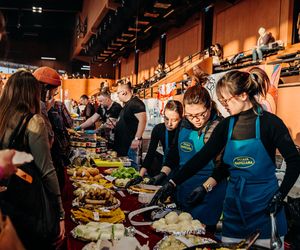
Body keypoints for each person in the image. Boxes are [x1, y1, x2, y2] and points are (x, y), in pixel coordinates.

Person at [151, 67, 300, 248]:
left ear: (243, 95)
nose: (223, 104)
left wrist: (280, 195)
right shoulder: (227, 125)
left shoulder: (271, 123)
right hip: (233, 211)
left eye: (225, 100)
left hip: (265, 208)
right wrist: (172, 182)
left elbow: (294, 161)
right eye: (220, 100)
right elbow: (203, 158)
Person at [0, 70, 65, 249]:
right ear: (32, 93)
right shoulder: (34, 121)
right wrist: (60, 213)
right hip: (26, 202)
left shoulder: (2, 118)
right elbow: (47, 171)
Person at [151, 85, 227, 230]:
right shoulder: (185, 124)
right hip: (184, 188)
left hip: (208, 194)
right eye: (191, 115)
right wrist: (163, 173)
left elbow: (222, 168)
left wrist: (205, 188)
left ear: (209, 106)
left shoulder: (217, 127)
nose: (196, 120)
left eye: (201, 114)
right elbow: (174, 153)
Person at [126, 100, 183, 187]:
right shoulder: (158, 129)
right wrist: (140, 176)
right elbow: (150, 154)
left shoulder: (184, 130)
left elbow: (175, 155)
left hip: (181, 170)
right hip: (165, 168)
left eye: (174, 120)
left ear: (181, 118)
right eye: (166, 119)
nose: (169, 123)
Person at [34, 66, 71, 188]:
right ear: (47, 90)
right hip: (46, 166)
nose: (55, 93)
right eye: (55, 90)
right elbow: (48, 141)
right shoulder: (40, 107)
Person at [114, 81, 146, 167]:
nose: (117, 96)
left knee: (132, 169)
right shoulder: (127, 104)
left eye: (118, 93)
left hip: (131, 145)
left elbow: (143, 120)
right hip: (123, 145)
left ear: (124, 92)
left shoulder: (136, 103)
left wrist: (137, 138)